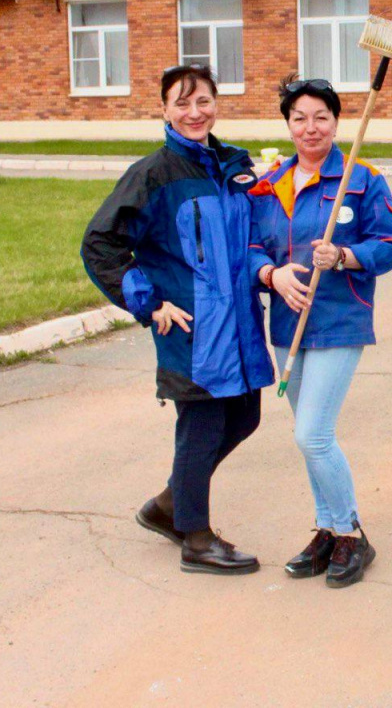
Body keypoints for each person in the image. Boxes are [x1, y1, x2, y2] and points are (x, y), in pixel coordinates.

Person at [81, 64, 274, 575]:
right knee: (201, 428)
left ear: (216, 104)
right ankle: (197, 539)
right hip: (192, 328)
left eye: (203, 101)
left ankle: (169, 506)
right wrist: (148, 303)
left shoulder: (232, 167)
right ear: (164, 110)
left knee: (245, 417)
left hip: (239, 324)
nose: (194, 112)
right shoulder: (154, 174)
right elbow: (100, 243)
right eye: (182, 103)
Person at [247, 76, 392, 587]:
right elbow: (250, 246)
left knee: (312, 435)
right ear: (288, 125)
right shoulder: (270, 183)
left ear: (337, 123)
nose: (310, 127)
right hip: (287, 325)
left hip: (339, 322)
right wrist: (271, 274)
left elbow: (391, 243)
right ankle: (327, 529)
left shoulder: (362, 179)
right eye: (300, 118)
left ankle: (353, 534)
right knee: (310, 438)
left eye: (321, 117)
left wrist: (343, 256)